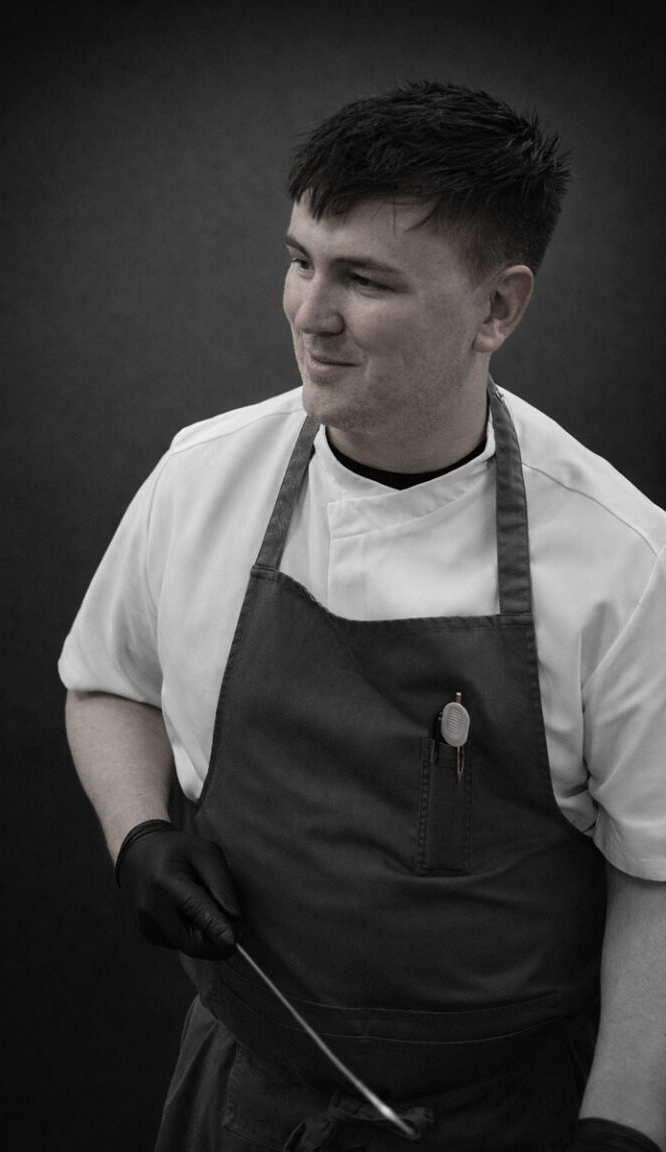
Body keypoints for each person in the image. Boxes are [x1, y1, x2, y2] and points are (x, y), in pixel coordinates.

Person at [59, 81, 666, 1151]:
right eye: (301, 261)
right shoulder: (202, 479)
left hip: (508, 1115)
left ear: (498, 308)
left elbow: (656, 870)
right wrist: (138, 833)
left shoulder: (623, 561)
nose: (311, 313)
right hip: (243, 1098)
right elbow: (109, 683)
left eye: (365, 279)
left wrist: (625, 1123)